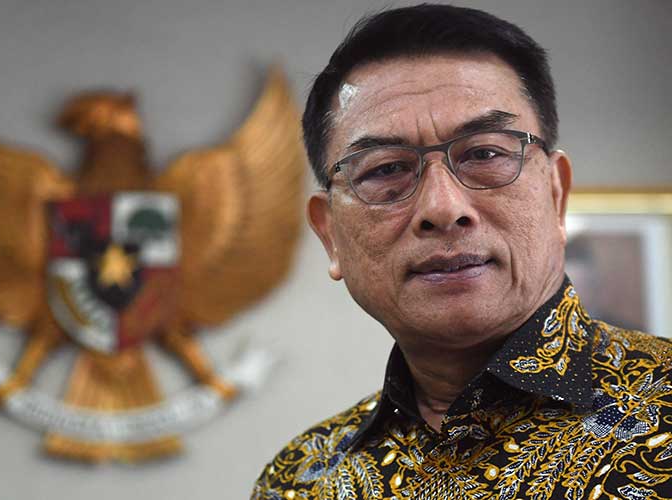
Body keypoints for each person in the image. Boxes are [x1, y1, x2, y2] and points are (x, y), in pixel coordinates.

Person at [251, 4, 672, 499]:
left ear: (556, 194)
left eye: (484, 154)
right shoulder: (300, 480)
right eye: (386, 169)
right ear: (330, 235)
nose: (443, 208)